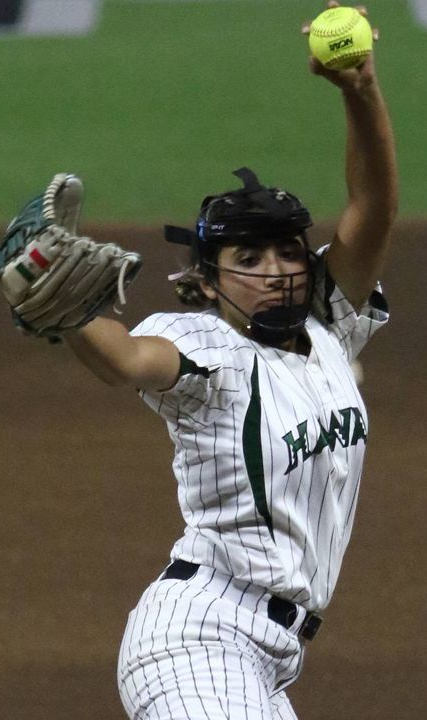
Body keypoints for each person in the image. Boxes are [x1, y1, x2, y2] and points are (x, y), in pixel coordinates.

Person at [60, 4, 397, 717]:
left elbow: (374, 205)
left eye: (287, 253)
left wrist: (360, 90)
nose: (275, 271)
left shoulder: (330, 328)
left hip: (268, 659)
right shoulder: (209, 349)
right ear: (207, 283)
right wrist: (68, 314)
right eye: (248, 259)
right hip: (196, 641)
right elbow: (127, 359)